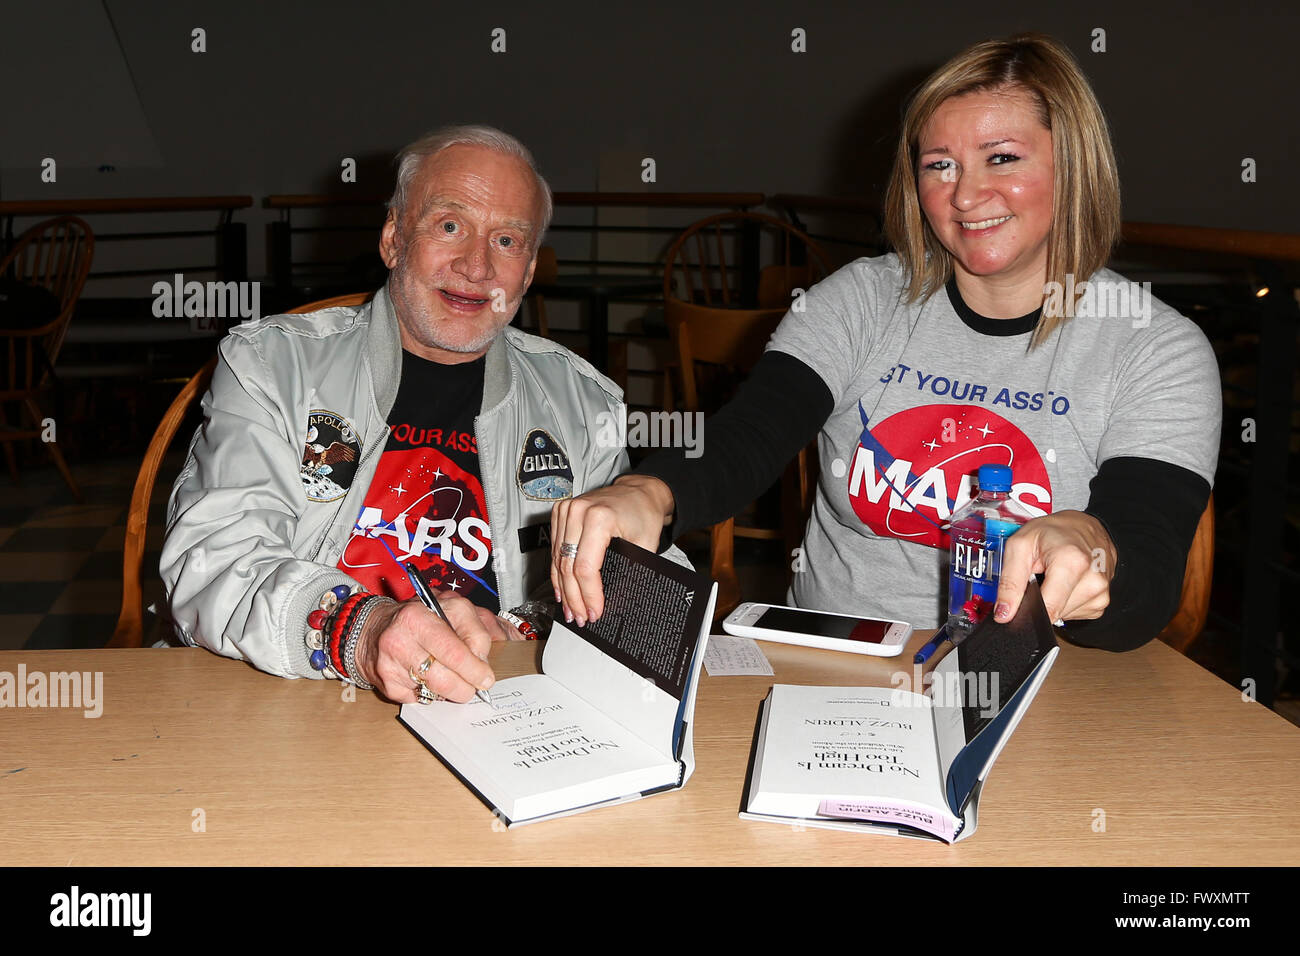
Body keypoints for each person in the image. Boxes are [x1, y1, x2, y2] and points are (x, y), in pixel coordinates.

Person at [550, 33, 1221, 651]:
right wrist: (649, 492)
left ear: (1072, 167)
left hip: (1040, 674)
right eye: (940, 165)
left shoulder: (1156, 348)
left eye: (1003, 158)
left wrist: (1095, 546)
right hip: (834, 655)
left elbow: (1147, 579)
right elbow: (747, 440)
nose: (966, 195)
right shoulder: (861, 300)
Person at [162, 125, 633, 702]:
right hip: (291, 694)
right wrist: (364, 631)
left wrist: (522, 629)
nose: (477, 266)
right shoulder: (270, 366)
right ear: (392, 239)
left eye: (507, 240)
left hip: (493, 708)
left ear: (530, 271)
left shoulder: (586, 403)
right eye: (450, 226)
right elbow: (212, 566)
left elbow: (632, 582)